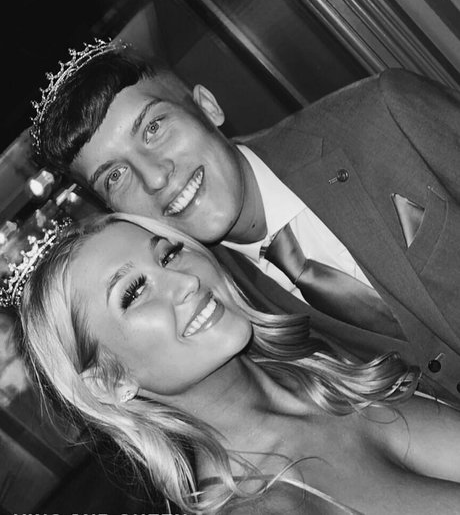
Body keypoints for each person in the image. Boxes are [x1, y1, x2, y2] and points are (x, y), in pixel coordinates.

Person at [32, 40, 460, 404]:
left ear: (207, 107)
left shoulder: (386, 114)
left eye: (154, 128)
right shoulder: (218, 318)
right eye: (115, 176)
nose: (155, 176)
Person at [16, 213, 460, 514]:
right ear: (110, 383)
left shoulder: (324, 371)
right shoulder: (259, 504)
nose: (186, 280)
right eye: (133, 292)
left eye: (168, 254)